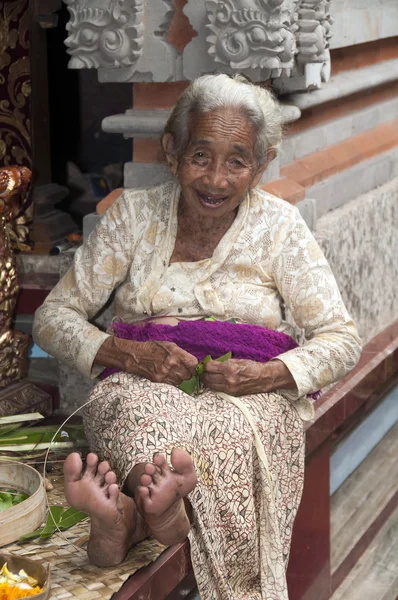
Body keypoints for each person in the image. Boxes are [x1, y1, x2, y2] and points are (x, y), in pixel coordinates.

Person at [33, 74, 361, 600]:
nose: (216, 179)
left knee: (225, 434)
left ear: (262, 164)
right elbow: (53, 318)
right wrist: (129, 354)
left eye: (237, 161)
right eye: (200, 155)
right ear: (171, 151)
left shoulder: (280, 229)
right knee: (135, 410)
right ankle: (156, 509)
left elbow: (341, 338)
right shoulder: (135, 217)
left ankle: (137, 520)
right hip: (143, 383)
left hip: (248, 397)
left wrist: (269, 373)